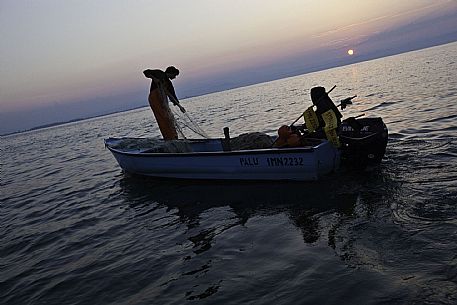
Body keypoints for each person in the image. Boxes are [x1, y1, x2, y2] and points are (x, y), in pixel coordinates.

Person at [143, 66, 184, 140]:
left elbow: (172, 96)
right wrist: (154, 78)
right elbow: (146, 72)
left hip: (163, 100)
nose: (174, 77)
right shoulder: (159, 73)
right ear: (170, 73)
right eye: (174, 75)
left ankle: (173, 136)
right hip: (155, 99)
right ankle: (168, 137)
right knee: (162, 118)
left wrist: (180, 106)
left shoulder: (169, 83)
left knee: (169, 118)